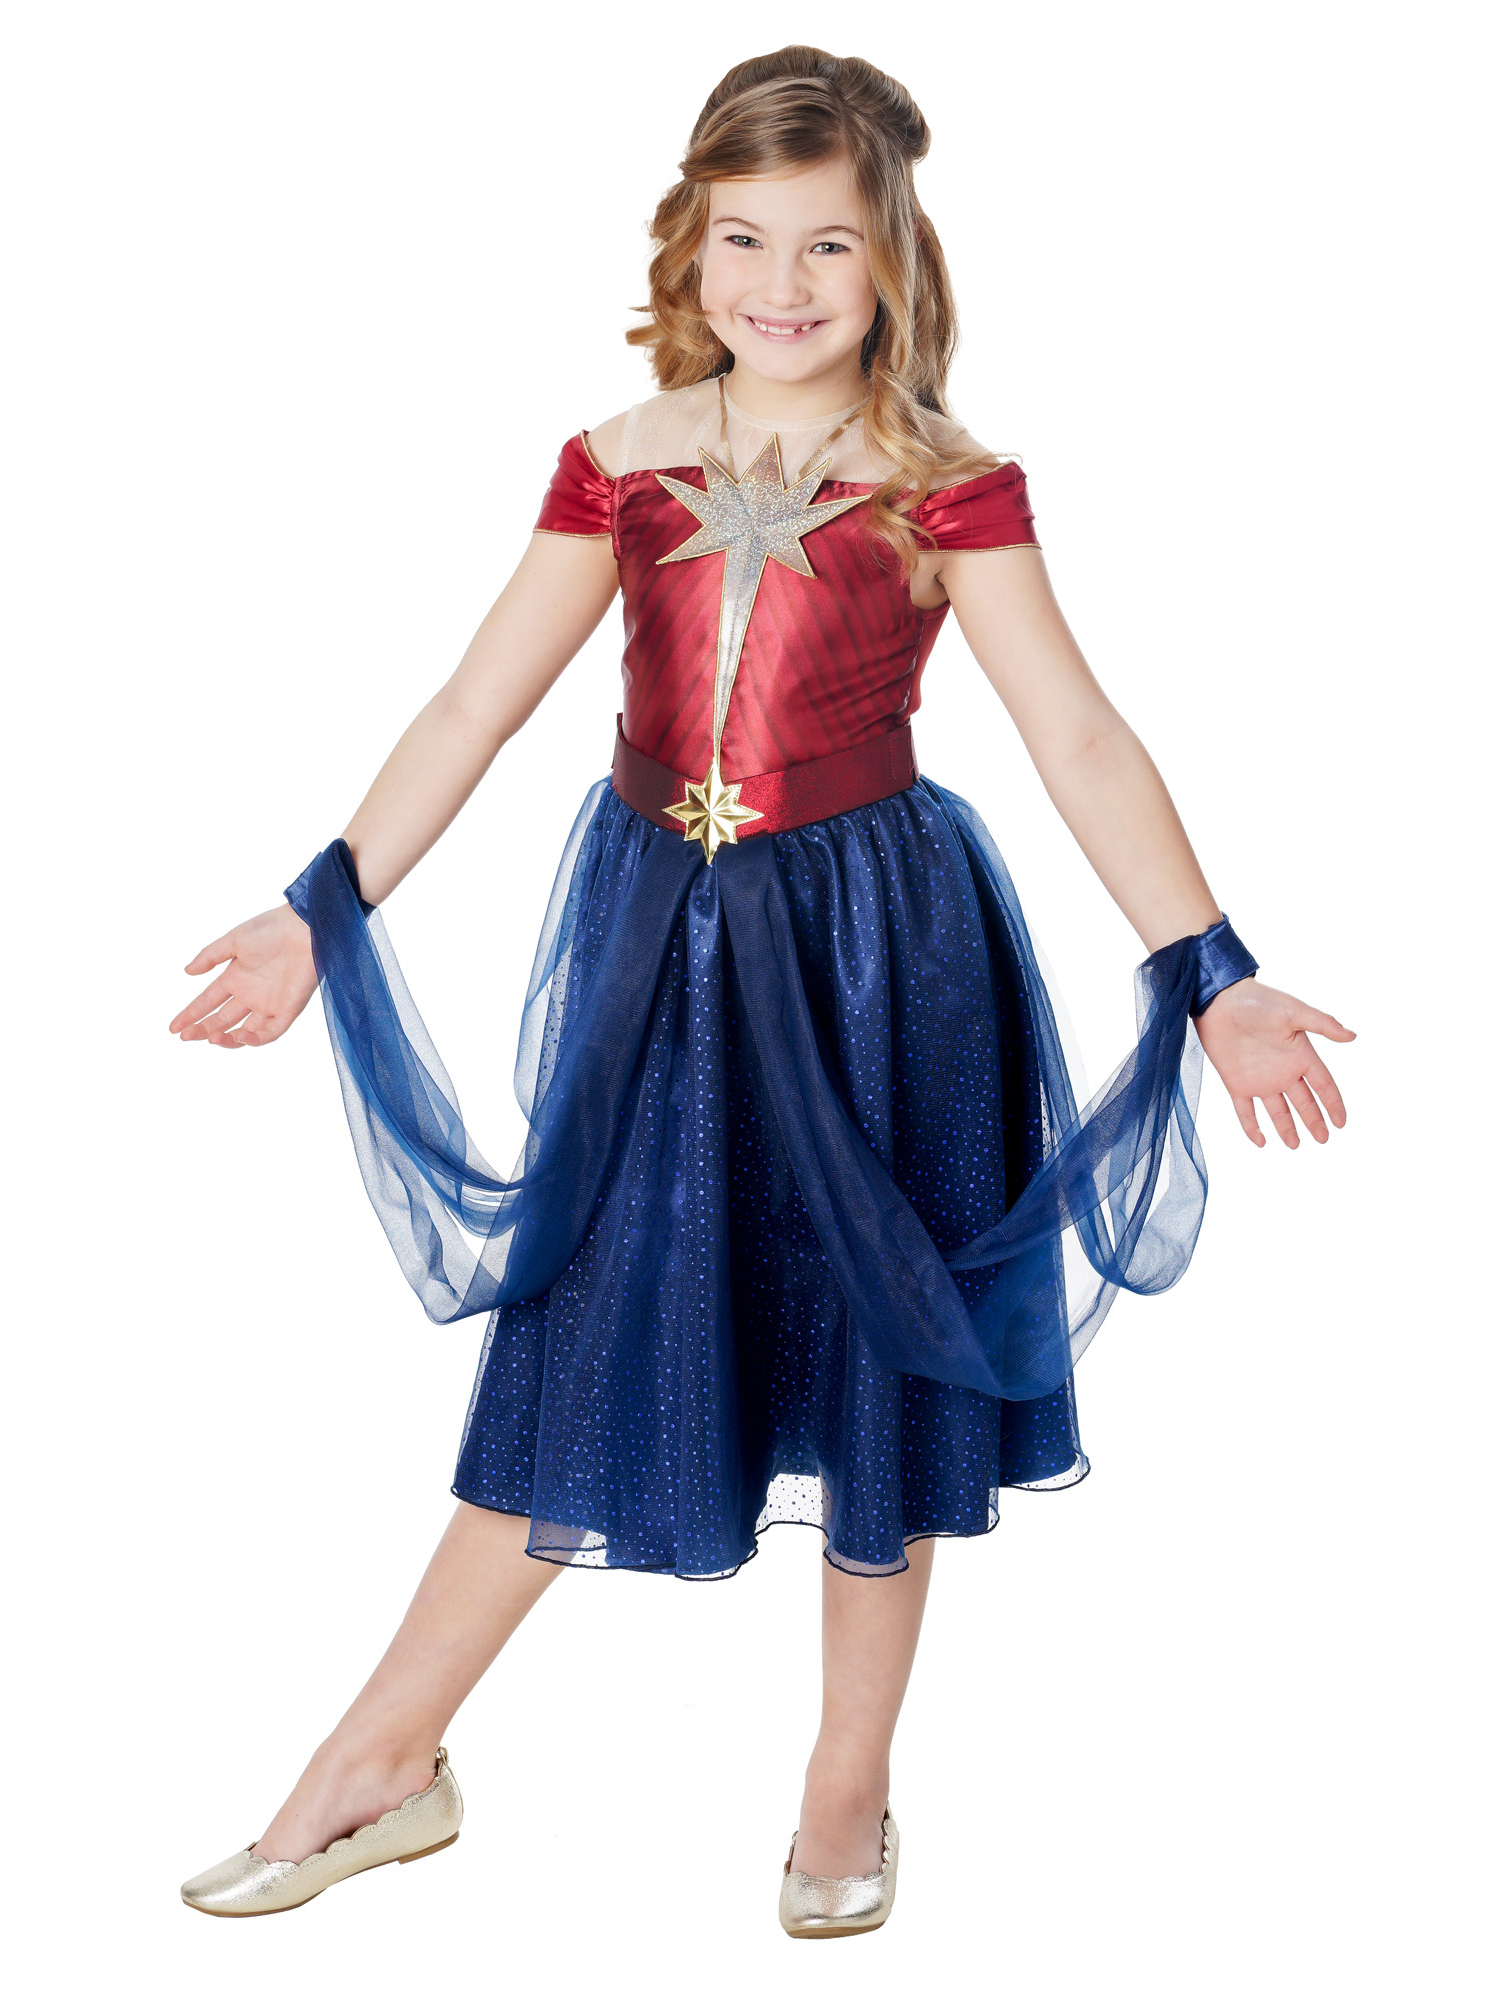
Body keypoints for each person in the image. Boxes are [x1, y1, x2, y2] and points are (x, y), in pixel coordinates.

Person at [169, 45, 1353, 1937]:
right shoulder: (622, 461)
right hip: (663, 952)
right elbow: (474, 702)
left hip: (880, 958)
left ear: (895, 262)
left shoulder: (945, 487)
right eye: (745, 238)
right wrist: (326, 905)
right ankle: (380, 1759)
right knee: (582, 1327)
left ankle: (845, 1787)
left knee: (881, 1347)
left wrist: (1211, 969)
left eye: (828, 244)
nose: (782, 284)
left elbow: (1079, 733)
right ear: (688, 243)